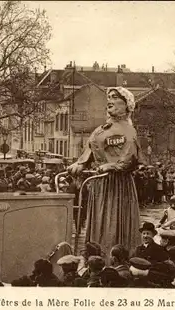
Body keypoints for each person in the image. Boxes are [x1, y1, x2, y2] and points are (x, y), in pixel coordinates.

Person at [66, 87, 144, 256]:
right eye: (109, 97)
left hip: (118, 183)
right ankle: (96, 256)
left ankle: (115, 257)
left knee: (113, 220)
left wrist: (113, 166)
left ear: (127, 105)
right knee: (99, 219)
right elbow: (91, 147)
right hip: (100, 182)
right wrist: (81, 163)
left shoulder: (128, 130)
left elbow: (130, 156)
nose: (110, 100)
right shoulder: (101, 129)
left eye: (115, 97)